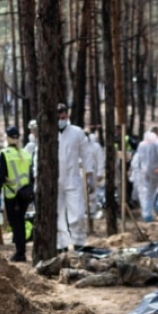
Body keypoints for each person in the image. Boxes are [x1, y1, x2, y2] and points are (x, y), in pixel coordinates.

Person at [56, 103, 93, 250]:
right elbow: (39, 156)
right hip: (55, 180)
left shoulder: (77, 132)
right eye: (58, 116)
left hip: (73, 178)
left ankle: (78, 244)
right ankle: (60, 245)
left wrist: (89, 173)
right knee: (56, 214)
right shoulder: (49, 133)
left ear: (67, 115)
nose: (60, 119)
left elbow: (86, 153)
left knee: (77, 214)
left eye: (63, 116)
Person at [0, 126, 33, 262]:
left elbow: (1, 176)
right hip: (25, 194)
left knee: (16, 223)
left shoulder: (4, 153)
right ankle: (21, 250)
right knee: (21, 222)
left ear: (7, 137)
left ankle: (20, 252)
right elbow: (31, 174)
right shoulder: (25, 153)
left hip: (12, 195)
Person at [87, 129, 105, 217]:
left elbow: (100, 159)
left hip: (92, 173)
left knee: (92, 193)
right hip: (80, 173)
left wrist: (100, 173)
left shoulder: (95, 146)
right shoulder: (79, 145)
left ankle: (92, 210)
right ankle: (84, 210)